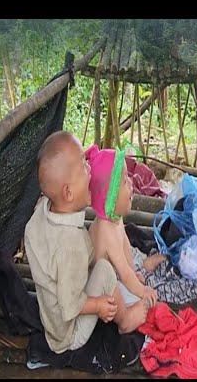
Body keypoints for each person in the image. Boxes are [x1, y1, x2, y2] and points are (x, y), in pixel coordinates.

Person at [24, 132, 147, 354]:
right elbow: (70, 306)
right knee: (105, 270)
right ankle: (126, 319)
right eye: (83, 166)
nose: (89, 168)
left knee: (90, 265)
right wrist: (98, 305)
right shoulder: (70, 247)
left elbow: (33, 238)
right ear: (68, 193)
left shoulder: (43, 208)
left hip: (51, 311)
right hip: (68, 333)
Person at [85, 144, 161, 310]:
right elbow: (123, 273)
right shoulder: (106, 229)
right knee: (138, 303)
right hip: (100, 288)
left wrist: (134, 272)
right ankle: (126, 319)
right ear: (110, 197)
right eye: (125, 180)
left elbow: (126, 245)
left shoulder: (115, 219)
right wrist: (142, 291)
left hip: (117, 274)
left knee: (133, 284)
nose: (131, 183)